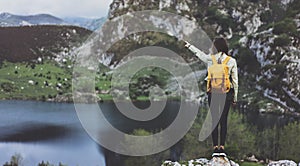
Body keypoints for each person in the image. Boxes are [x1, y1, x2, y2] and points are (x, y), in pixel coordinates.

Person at [184, 37, 238, 157]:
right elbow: (235, 81)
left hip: (213, 92)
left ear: (215, 47)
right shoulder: (231, 61)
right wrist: (235, 98)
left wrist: (189, 46)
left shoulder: (211, 59)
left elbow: (199, 55)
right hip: (226, 93)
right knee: (223, 120)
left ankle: (215, 148)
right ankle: (222, 148)